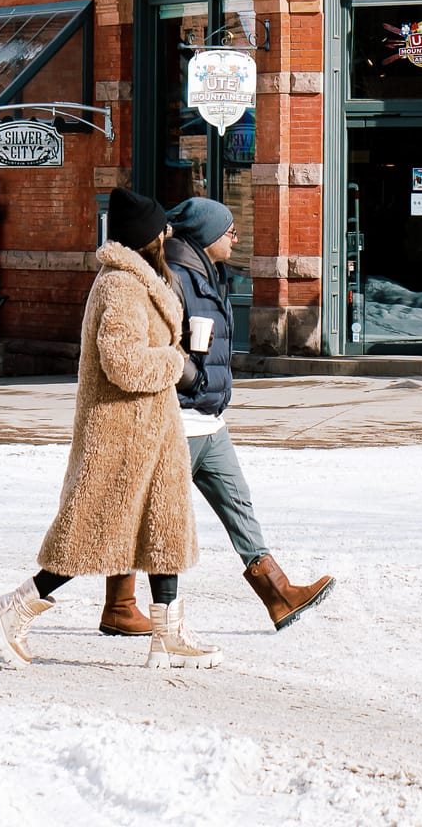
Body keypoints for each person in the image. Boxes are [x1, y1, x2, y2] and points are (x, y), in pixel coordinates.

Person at [0, 189, 218, 671]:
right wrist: (177, 362)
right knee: (89, 533)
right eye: (161, 228)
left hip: (152, 429)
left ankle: (168, 633)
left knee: (165, 528)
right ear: (146, 237)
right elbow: (123, 363)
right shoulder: (120, 286)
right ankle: (18, 605)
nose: (168, 235)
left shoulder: (142, 281)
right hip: (119, 432)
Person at [101, 196, 333, 639]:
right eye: (229, 231)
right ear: (207, 237)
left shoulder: (212, 273)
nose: (236, 237)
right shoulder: (172, 279)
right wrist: (190, 377)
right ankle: (118, 603)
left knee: (238, 505)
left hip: (209, 418)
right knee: (149, 518)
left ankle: (277, 592)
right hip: (177, 420)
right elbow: (157, 341)